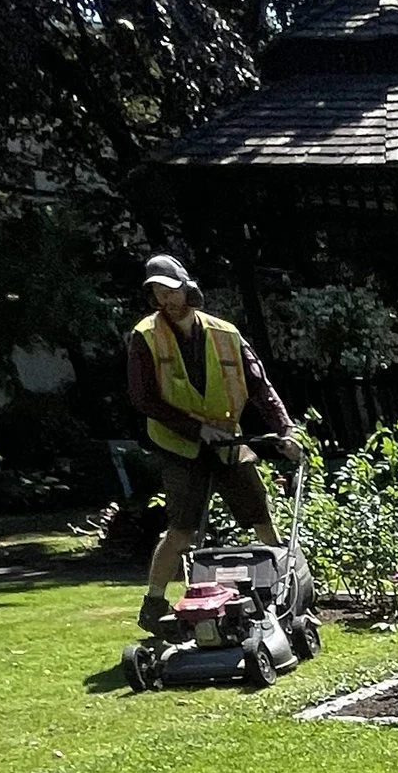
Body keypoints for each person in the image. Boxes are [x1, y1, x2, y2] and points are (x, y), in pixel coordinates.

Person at [125, 254, 300, 629]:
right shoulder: (145, 336)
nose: (166, 299)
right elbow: (144, 400)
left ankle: (284, 592)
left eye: (171, 291)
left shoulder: (226, 333)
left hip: (227, 440)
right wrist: (198, 430)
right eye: (158, 293)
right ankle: (153, 604)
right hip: (179, 446)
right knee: (181, 531)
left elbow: (261, 387)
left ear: (187, 288)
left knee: (259, 516)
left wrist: (285, 431)